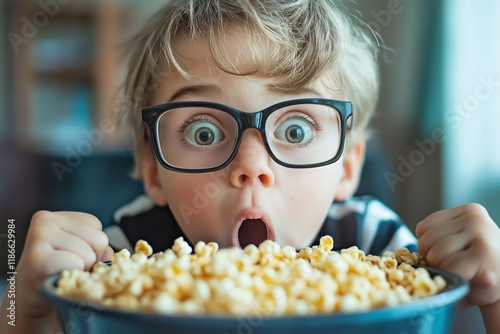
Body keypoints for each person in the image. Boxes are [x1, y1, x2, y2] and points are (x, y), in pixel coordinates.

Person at [2, 1, 499, 333]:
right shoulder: (124, 257)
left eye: (297, 129)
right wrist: (21, 304)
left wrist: (495, 294)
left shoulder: (380, 248)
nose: (252, 166)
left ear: (348, 167)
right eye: (203, 132)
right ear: (154, 171)